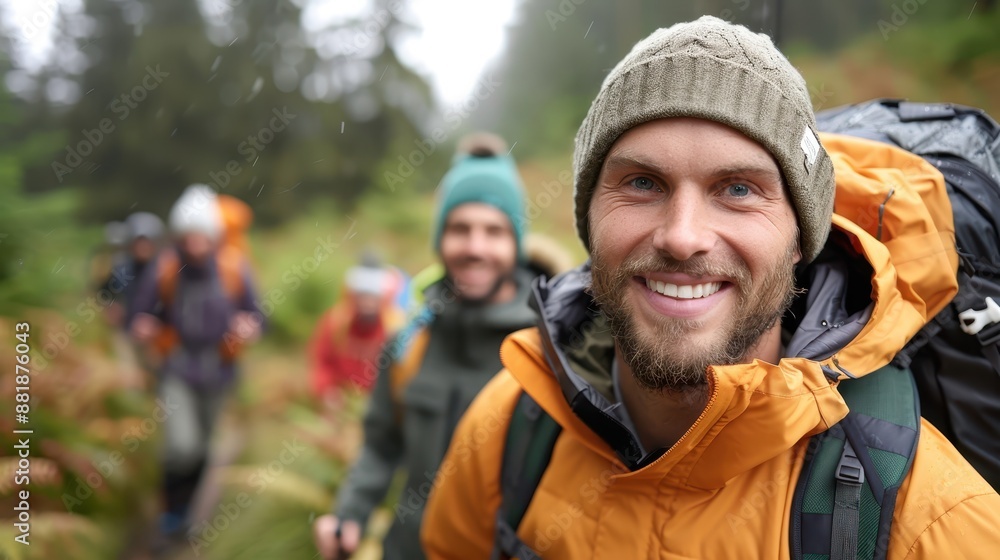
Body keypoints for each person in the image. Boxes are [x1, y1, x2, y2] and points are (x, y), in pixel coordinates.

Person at [421, 17, 1000, 559]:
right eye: (642, 182)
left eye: (739, 189)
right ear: (589, 221)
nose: (682, 237)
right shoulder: (511, 424)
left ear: (802, 239)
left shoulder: (935, 523)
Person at [312, 133, 553, 559]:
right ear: (440, 238)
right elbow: (380, 444)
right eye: (459, 229)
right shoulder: (410, 340)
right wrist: (350, 515)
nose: (475, 247)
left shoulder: (551, 347)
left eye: (494, 231)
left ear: (515, 242)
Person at [129, 184, 263, 540]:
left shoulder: (234, 268)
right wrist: (143, 325)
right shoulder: (166, 268)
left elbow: (257, 314)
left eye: (202, 236)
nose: (195, 244)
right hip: (177, 368)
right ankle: (169, 513)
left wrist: (249, 326)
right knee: (181, 446)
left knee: (204, 448)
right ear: (178, 236)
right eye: (188, 237)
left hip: (219, 370)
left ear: (214, 236)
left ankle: (186, 514)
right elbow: (140, 312)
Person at [309, 252, 407, 405]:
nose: (367, 303)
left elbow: (403, 372)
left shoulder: (395, 326)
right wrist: (327, 389)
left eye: (372, 297)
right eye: (362, 296)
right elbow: (322, 361)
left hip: (381, 404)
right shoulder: (336, 322)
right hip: (341, 404)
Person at [103, 211, 166, 328]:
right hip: (127, 330)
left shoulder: (165, 272)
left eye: (146, 242)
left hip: (158, 335)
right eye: (138, 242)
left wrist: (157, 322)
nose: (142, 247)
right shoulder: (121, 270)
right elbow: (107, 296)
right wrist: (112, 308)